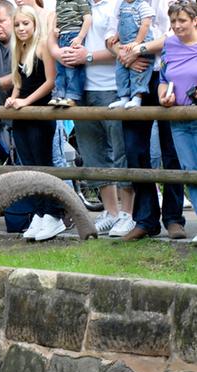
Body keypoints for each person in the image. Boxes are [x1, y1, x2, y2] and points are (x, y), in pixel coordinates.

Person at [57, 0, 133, 236]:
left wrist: (87, 56)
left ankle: (127, 214)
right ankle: (110, 212)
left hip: (112, 87)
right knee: (93, 153)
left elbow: (123, 49)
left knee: (121, 153)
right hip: (80, 91)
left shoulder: (117, 6)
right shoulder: (77, 4)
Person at [114, 0, 185, 241]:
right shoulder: (124, 2)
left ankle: (174, 217)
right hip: (135, 76)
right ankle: (145, 219)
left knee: (172, 148)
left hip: (168, 74)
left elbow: (176, 34)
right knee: (135, 149)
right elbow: (110, 37)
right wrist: (125, 56)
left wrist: (138, 49)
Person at [5, 5, 66, 241]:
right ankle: (39, 213)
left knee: (43, 165)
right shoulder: (19, 48)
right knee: (28, 166)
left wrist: (26, 102)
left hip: (39, 113)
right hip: (22, 114)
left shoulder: (42, 46)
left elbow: (50, 81)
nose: (21, 28)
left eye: (25, 24)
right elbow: (20, 79)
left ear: (34, 24)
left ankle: (53, 214)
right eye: (17, 24)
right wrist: (14, 96)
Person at [158, 0, 197, 242]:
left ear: (195, 20)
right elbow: (164, 77)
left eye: (182, 20)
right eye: (173, 21)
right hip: (179, 121)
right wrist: (163, 96)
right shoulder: (170, 44)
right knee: (191, 173)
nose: (177, 26)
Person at [108, 0, 155, 108]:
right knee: (120, 73)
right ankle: (124, 98)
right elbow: (121, 23)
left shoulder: (142, 5)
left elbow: (145, 25)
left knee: (138, 73)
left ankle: (137, 98)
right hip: (125, 45)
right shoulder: (122, 5)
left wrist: (137, 42)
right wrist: (117, 36)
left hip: (140, 44)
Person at [48, 0, 91, 106]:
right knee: (60, 68)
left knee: (73, 68)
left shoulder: (81, 1)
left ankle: (72, 96)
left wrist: (80, 37)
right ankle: (59, 94)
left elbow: (88, 18)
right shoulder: (59, 2)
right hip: (61, 36)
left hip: (74, 35)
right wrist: (54, 28)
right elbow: (56, 16)